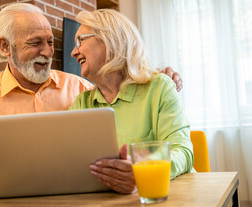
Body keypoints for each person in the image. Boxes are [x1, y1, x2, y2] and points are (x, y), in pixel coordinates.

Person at [0, 3, 183, 188]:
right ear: (5, 47)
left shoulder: (82, 90)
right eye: (36, 42)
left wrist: (156, 78)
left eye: (50, 42)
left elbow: (121, 92)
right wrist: (13, 176)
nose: (48, 52)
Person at [69, 9, 194, 194]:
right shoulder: (82, 103)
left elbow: (183, 152)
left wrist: (141, 172)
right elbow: (68, 162)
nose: (73, 52)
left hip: (164, 198)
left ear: (110, 39)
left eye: (80, 41)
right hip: (108, 205)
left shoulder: (159, 87)